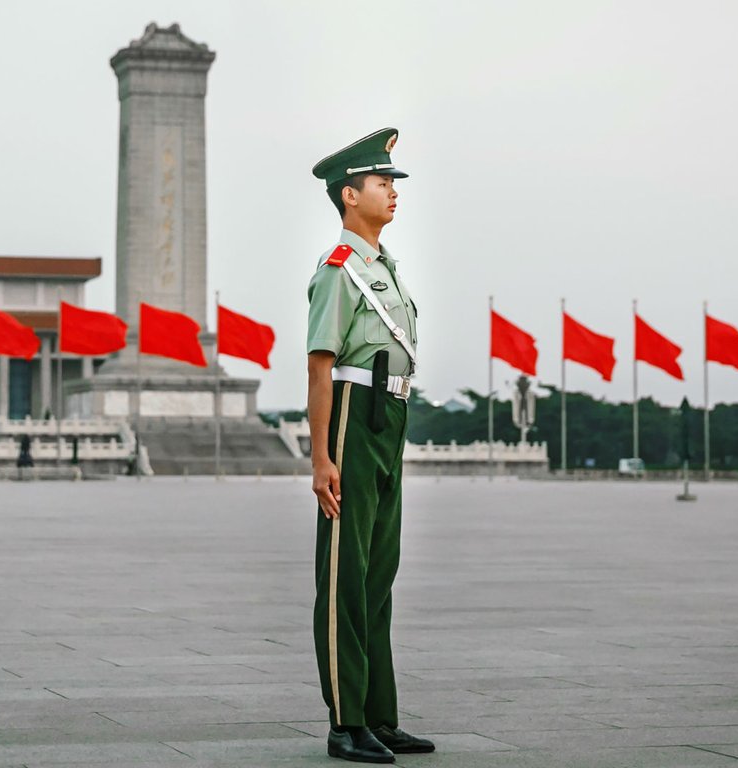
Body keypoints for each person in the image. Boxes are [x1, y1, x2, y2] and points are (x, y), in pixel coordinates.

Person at [305, 127, 434, 763]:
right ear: (349, 195)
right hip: (354, 415)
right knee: (343, 576)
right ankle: (344, 721)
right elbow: (321, 365)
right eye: (382, 183)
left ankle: (380, 716)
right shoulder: (338, 272)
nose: (392, 192)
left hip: (391, 413)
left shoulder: (385, 270)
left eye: (392, 183)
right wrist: (321, 454)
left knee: (379, 572)